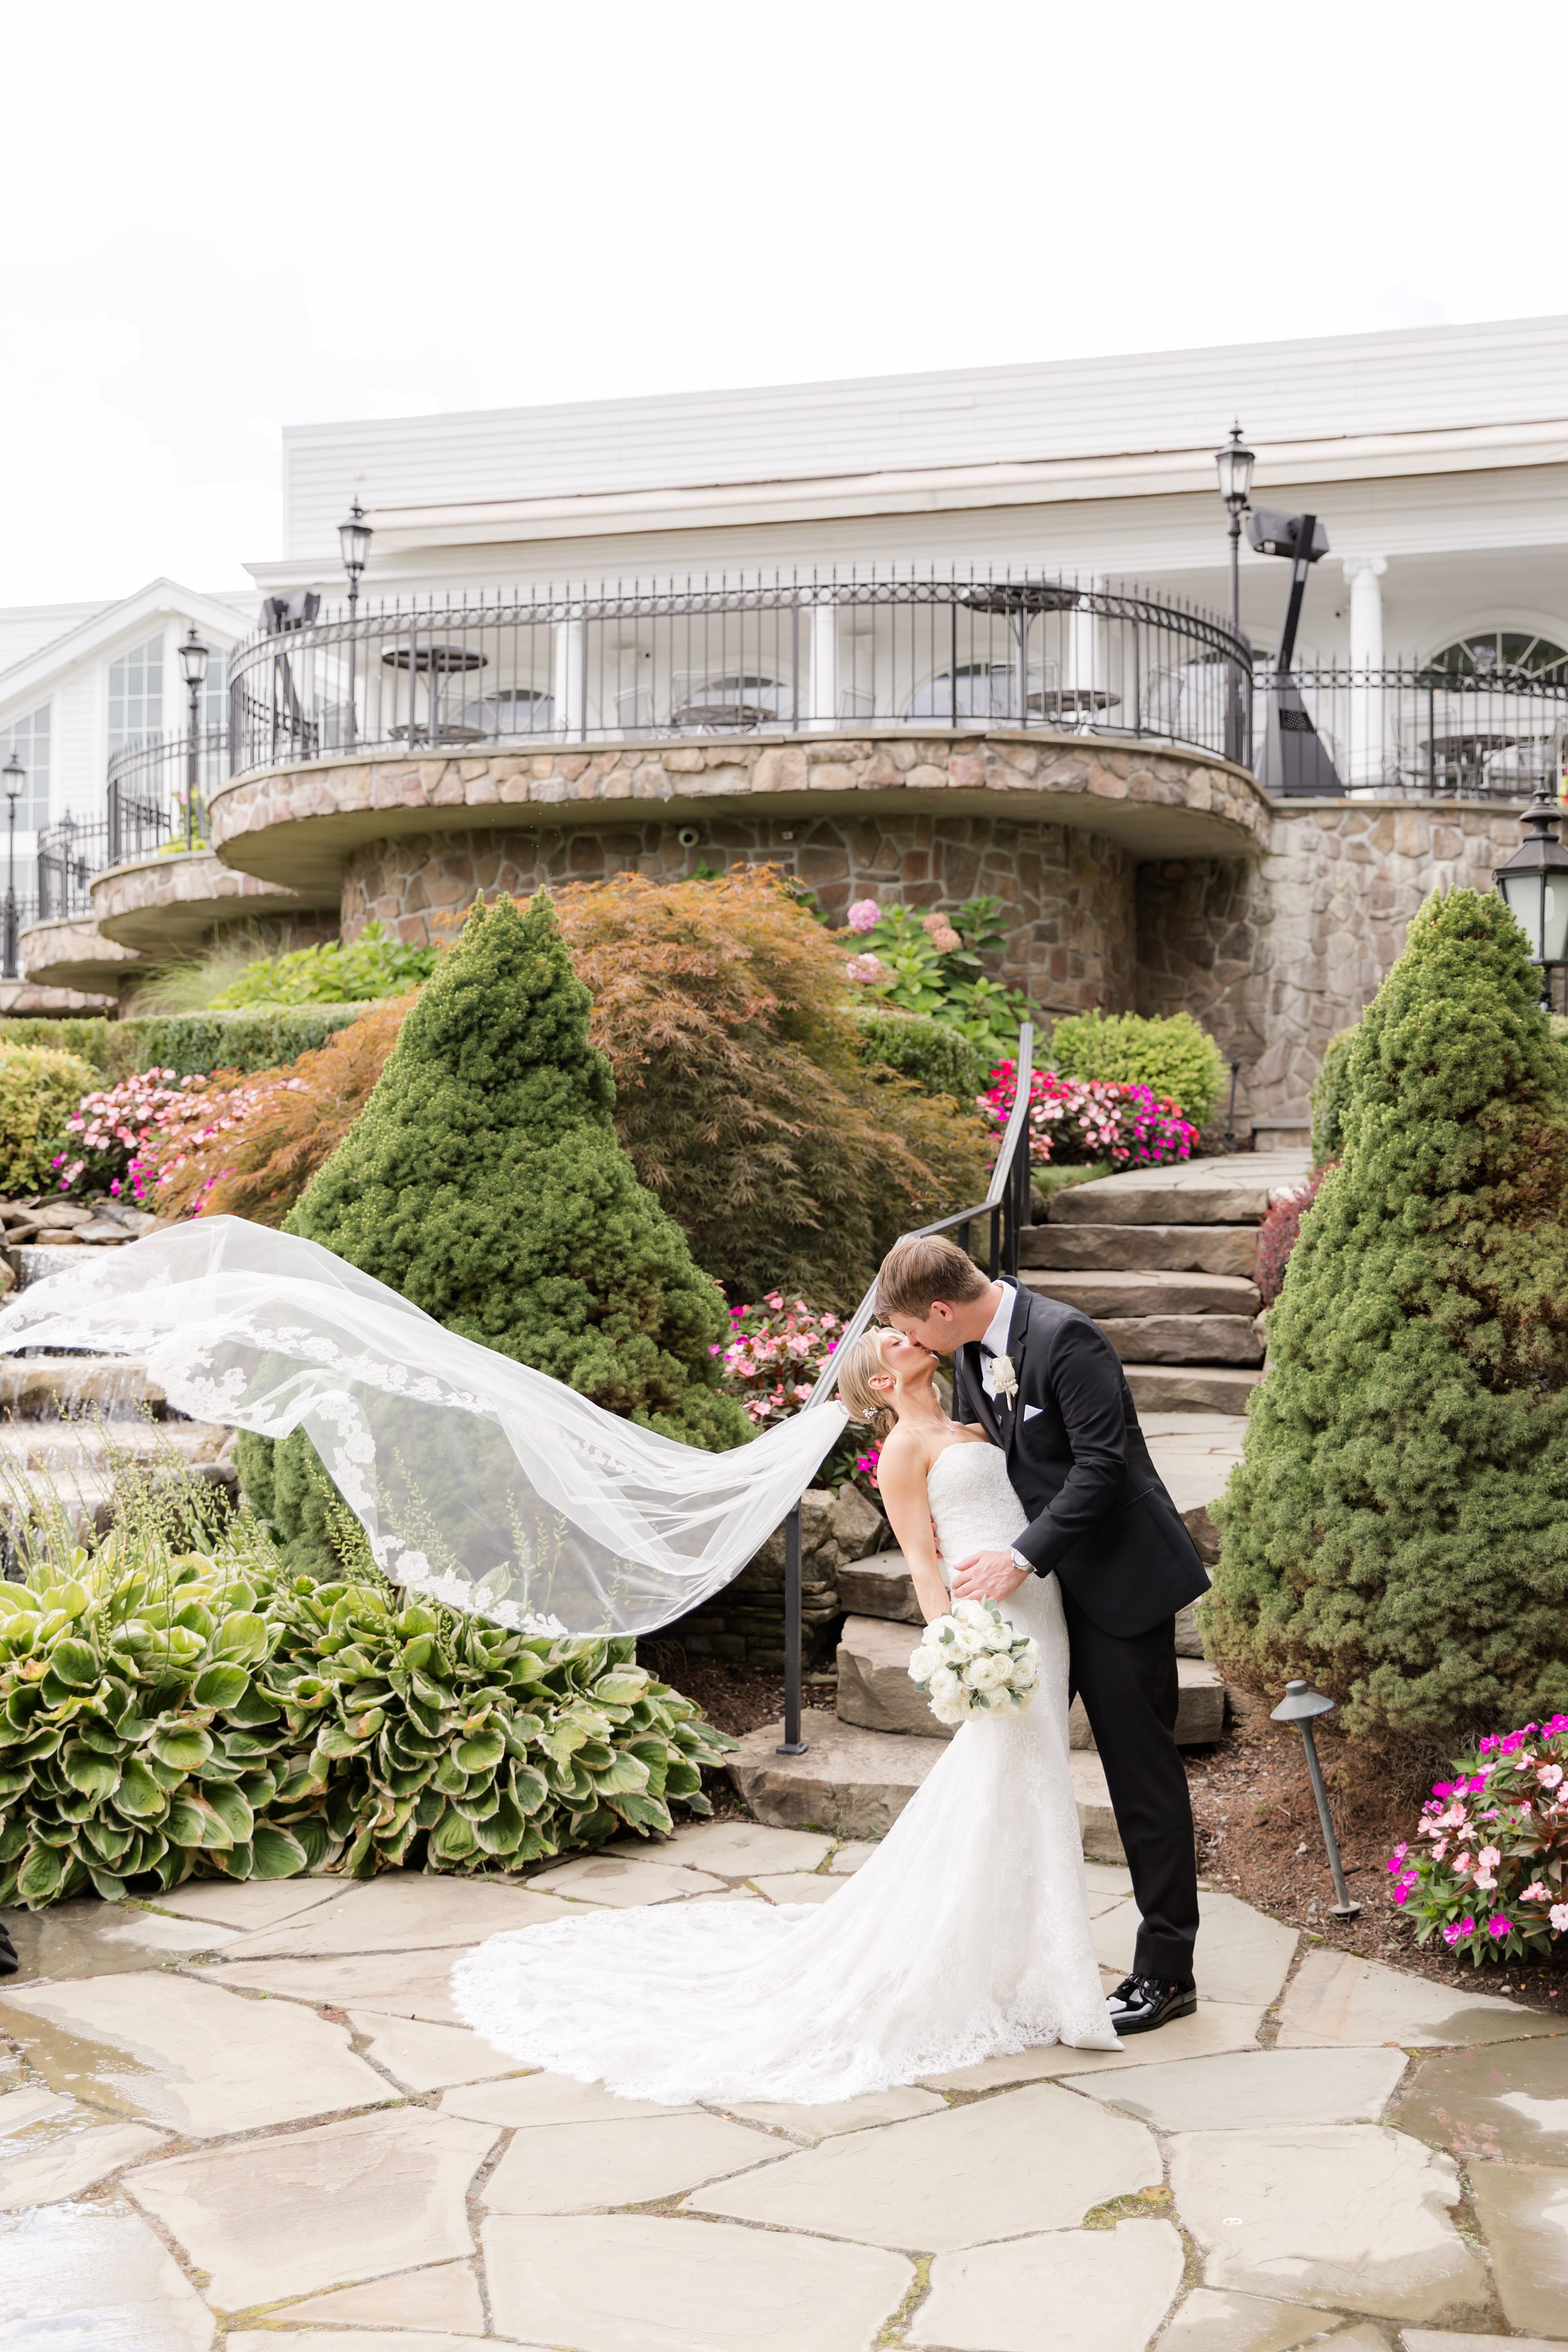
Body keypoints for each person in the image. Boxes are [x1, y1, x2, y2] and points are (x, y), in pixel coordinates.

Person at [449, 1324, 1119, 2102]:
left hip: (1043, 1608)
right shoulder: (905, 1449)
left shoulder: (973, 1419)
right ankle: (1042, 1976)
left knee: (1028, 1781)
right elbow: (920, 1558)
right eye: (895, 1339)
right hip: (993, 1621)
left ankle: (1029, 1960)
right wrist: (956, 1645)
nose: (912, 1337)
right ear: (878, 1382)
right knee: (1012, 1779)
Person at [879, 1231, 1209, 2036]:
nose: (911, 1343)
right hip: (1043, 1610)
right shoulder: (965, 1352)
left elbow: (1101, 1466)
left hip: (1121, 1589)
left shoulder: (1069, 1338)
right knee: (1006, 1765)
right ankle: (1004, 1953)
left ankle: (1167, 1972)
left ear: (944, 1310)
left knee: (1142, 1780)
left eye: (914, 1328)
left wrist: (1021, 1558)